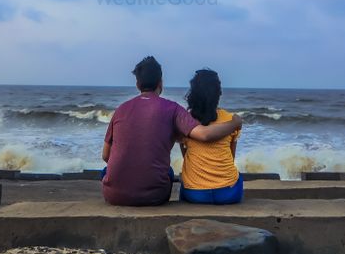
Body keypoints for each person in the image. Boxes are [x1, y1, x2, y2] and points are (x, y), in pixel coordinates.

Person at [102, 56, 242, 206]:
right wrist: (235, 123)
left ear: (137, 84)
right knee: (168, 172)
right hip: (156, 195)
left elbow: (106, 156)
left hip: (114, 195)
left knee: (106, 170)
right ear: (160, 82)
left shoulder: (121, 110)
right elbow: (206, 136)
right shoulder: (173, 109)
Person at [178, 68, 243, 204]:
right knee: (237, 177)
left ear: (193, 93)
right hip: (228, 193)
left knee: (184, 183)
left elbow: (186, 155)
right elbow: (231, 157)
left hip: (194, 193)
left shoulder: (185, 120)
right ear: (219, 93)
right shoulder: (230, 119)